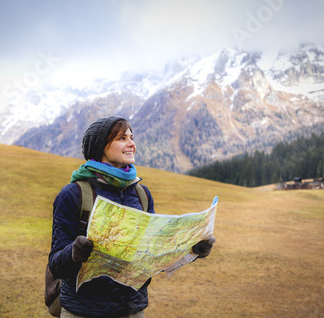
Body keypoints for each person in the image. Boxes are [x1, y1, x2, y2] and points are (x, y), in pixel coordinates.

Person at [48, 116, 215, 318]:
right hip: (83, 312)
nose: (132, 144)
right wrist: (74, 252)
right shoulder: (73, 194)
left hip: (132, 312)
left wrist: (192, 249)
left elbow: (151, 258)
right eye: (122, 138)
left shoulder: (141, 194)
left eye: (132, 137)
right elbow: (56, 266)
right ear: (101, 146)